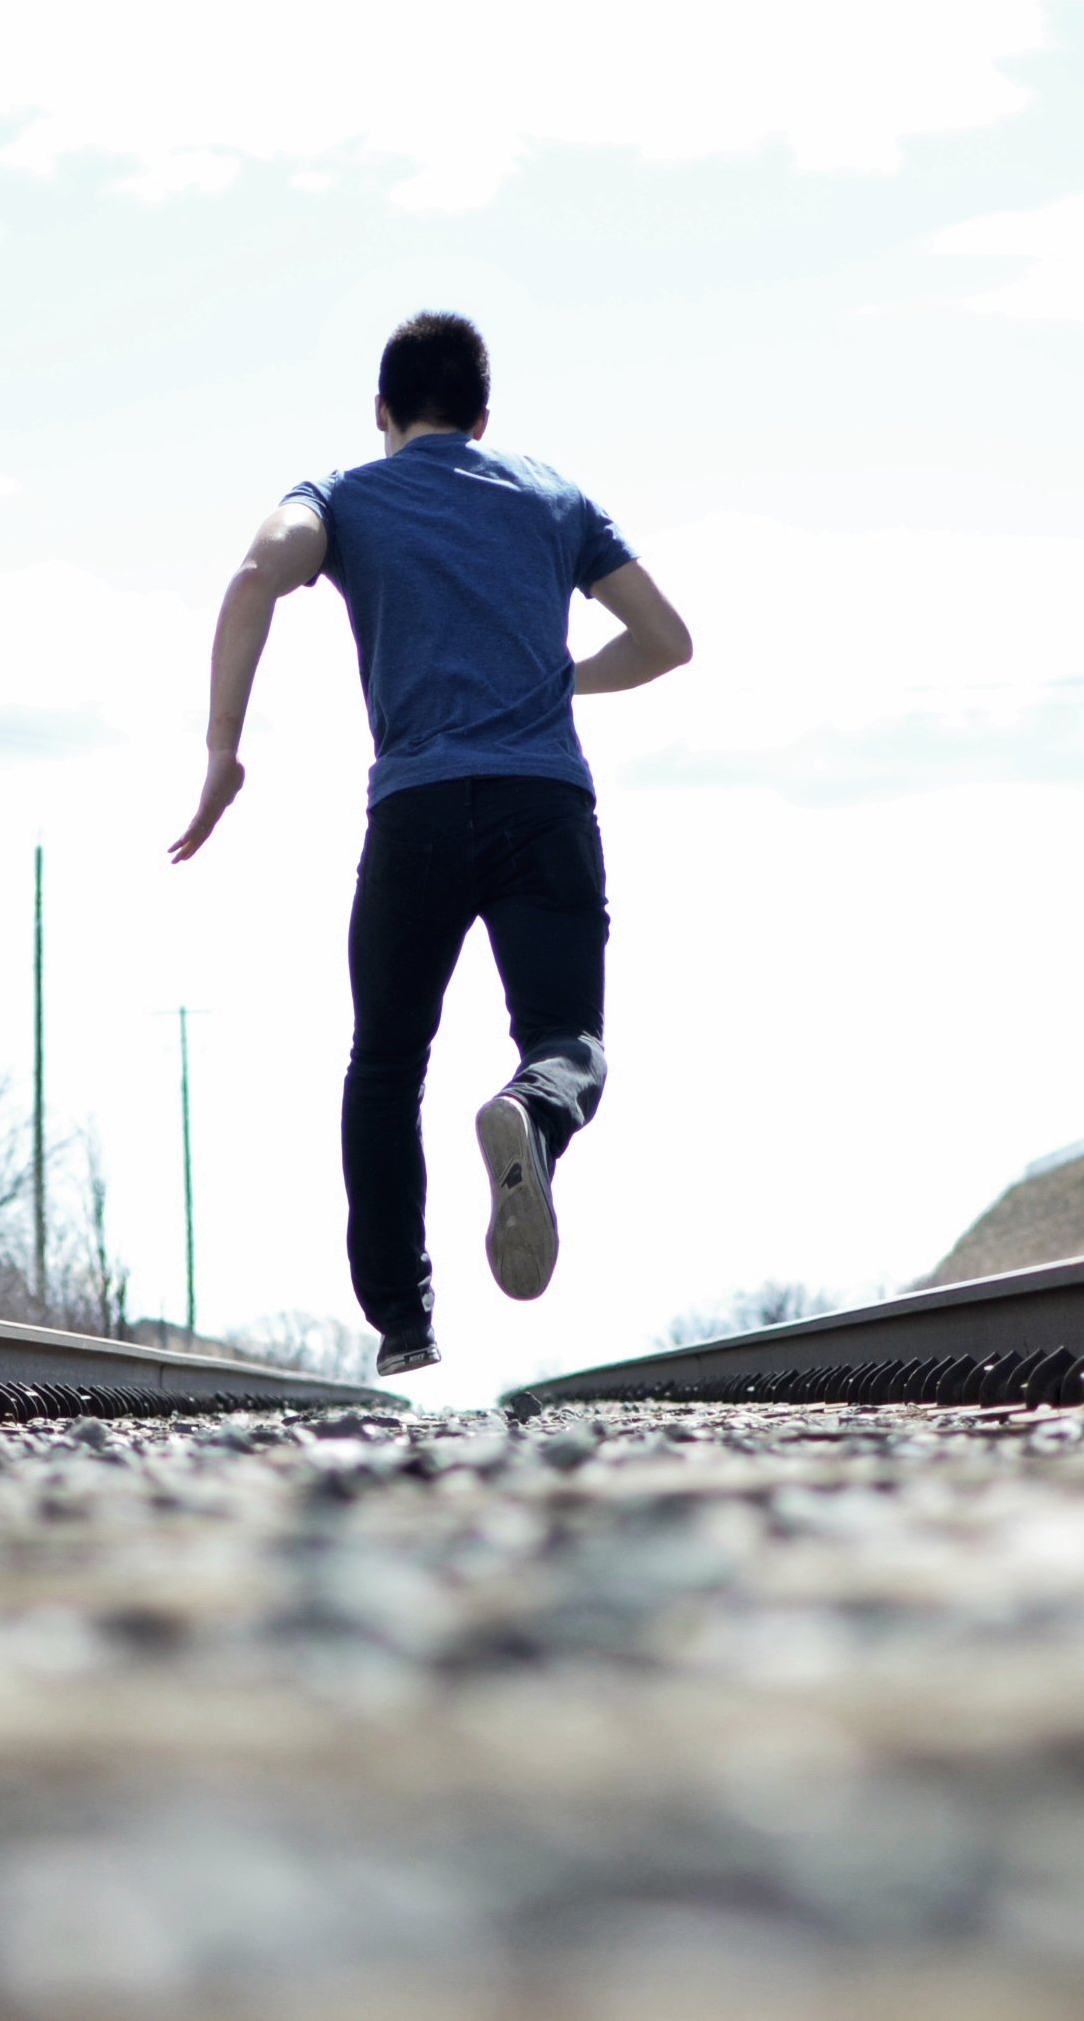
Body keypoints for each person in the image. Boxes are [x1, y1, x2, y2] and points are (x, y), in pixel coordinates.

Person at [168, 312, 694, 1377]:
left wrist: (223, 751)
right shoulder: (553, 495)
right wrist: (562, 675)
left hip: (413, 813)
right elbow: (667, 640)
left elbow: (253, 576)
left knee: (385, 1061)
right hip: (543, 804)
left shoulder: (343, 495)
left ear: (382, 412)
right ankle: (529, 1113)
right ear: (485, 416)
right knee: (567, 1040)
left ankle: (403, 1320)